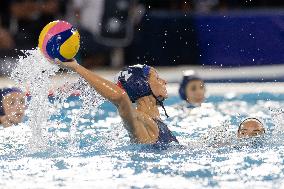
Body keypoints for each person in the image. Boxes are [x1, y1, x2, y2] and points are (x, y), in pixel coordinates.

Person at [56, 59, 178, 144]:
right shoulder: (139, 119)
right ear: (140, 84)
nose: (164, 81)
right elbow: (121, 97)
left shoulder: (155, 120)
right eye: (156, 78)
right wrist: (77, 68)